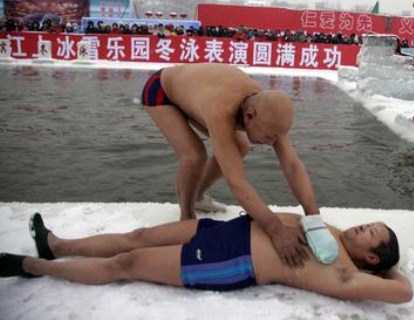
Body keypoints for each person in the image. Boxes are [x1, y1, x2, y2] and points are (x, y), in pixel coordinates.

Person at [141, 63, 333, 267]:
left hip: (196, 94)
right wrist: (275, 229)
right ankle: (187, 214)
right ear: (249, 116)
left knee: (240, 146)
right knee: (194, 155)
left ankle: (198, 196)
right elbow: (236, 182)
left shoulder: (269, 112)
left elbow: (292, 165)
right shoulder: (221, 110)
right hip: (162, 90)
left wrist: (314, 218)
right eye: (269, 137)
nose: (272, 143)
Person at [0, 212, 413, 304]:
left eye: (371, 234)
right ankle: (58, 246)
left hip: (231, 259)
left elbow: (404, 294)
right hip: (228, 229)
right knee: (139, 236)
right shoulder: (336, 234)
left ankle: (28, 266)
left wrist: (392, 270)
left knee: (127, 262)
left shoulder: (344, 274)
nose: (363, 227)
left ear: (371, 259)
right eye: (369, 224)